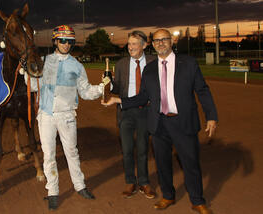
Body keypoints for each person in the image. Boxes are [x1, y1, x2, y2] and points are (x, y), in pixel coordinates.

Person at [102, 29, 217, 214]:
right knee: (163, 164)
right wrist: (119, 100)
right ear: (153, 45)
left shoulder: (188, 63)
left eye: (164, 39)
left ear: (171, 41)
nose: (160, 43)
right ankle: (168, 196)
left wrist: (211, 116)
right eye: (157, 40)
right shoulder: (149, 69)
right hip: (159, 123)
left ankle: (197, 200)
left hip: (183, 122)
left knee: (191, 164)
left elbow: (202, 90)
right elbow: (143, 96)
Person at [25, 25, 110, 210]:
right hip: (46, 115)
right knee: (49, 155)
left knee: (72, 152)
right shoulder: (43, 61)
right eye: (62, 40)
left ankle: (80, 186)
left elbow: (86, 92)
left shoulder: (77, 66)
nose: (66, 44)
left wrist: (102, 87)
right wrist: (27, 71)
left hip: (67, 115)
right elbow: (32, 86)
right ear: (55, 41)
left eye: (69, 41)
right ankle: (52, 191)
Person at [111, 31, 156, 199]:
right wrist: (109, 84)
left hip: (145, 111)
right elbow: (116, 88)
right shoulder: (121, 64)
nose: (130, 47)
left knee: (143, 149)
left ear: (144, 45)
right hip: (125, 112)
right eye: (129, 44)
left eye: (134, 44)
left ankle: (144, 182)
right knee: (127, 149)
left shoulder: (153, 62)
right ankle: (130, 181)